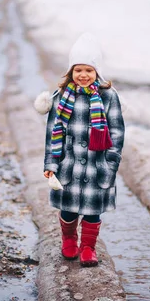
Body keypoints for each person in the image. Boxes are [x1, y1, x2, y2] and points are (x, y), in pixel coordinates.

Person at [34, 33, 125, 267]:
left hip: (98, 165)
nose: (83, 75)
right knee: (69, 210)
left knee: (93, 212)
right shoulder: (62, 97)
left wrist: (111, 162)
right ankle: (69, 239)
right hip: (69, 165)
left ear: (97, 72)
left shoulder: (108, 97)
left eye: (89, 70)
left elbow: (116, 132)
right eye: (78, 70)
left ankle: (88, 247)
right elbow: (53, 132)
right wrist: (51, 164)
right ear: (70, 72)